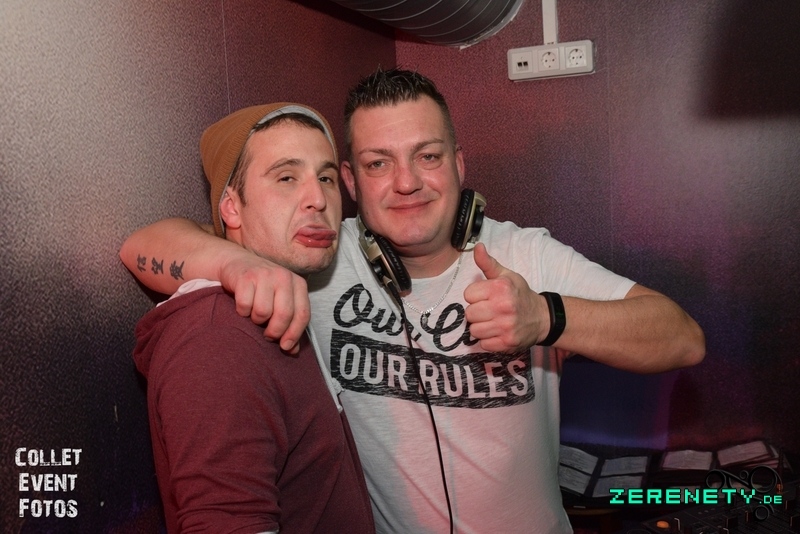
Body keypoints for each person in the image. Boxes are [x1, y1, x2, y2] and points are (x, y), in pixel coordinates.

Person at [121, 69, 705, 533]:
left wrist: (546, 316)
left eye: (427, 156)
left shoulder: (522, 255)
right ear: (352, 182)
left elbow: (681, 336)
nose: (406, 182)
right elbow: (141, 245)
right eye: (378, 163)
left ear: (458, 164)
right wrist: (236, 262)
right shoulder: (317, 254)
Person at [129, 103, 374, 533]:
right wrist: (234, 264)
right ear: (231, 207)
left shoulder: (287, 281)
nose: (318, 199)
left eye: (325, 178)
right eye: (286, 178)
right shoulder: (218, 344)